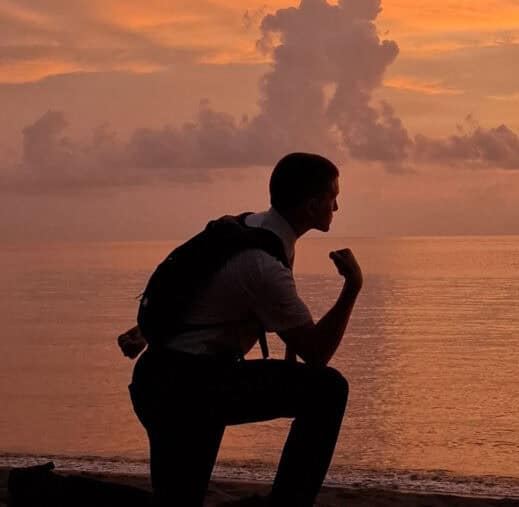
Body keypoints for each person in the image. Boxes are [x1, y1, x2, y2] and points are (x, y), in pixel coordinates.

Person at [122, 152, 362, 507]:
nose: (337, 207)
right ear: (312, 205)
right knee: (327, 389)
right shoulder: (265, 264)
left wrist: (146, 331)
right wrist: (352, 287)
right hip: (189, 387)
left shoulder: (250, 227)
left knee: (178, 499)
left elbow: (208, 292)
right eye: (333, 198)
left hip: (172, 377)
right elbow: (317, 354)